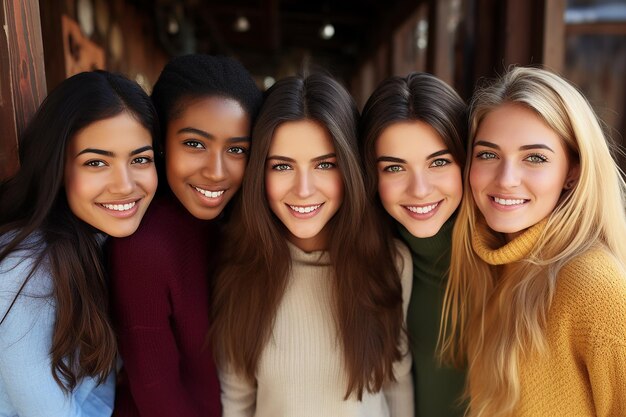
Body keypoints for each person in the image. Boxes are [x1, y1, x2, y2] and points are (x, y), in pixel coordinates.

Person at [211, 73, 413, 417]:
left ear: (350, 168)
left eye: (325, 164)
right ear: (260, 172)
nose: (303, 189)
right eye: (282, 166)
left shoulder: (390, 263)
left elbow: (397, 383)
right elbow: (237, 401)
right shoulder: (237, 269)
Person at [441, 66, 626, 417]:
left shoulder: (593, 285)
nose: (506, 179)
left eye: (535, 158)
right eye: (488, 154)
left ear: (572, 172)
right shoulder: (494, 266)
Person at [107, 54, 262, 417]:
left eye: (236, 149)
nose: (216, 171)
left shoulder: (233, 226)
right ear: (161, 141)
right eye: (195, 143)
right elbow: (158, 395)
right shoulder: (144, 246)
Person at [0, 71, 159, 416]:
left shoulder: (100, 241)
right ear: (56, 166)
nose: (124, 184)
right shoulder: (24, 271)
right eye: (96, 162)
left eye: (140, 159)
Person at [360, 72, 467, 417]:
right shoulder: (372, 260)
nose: (419, 189)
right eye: (394, 168)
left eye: (439, 162)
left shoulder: (512, 260)